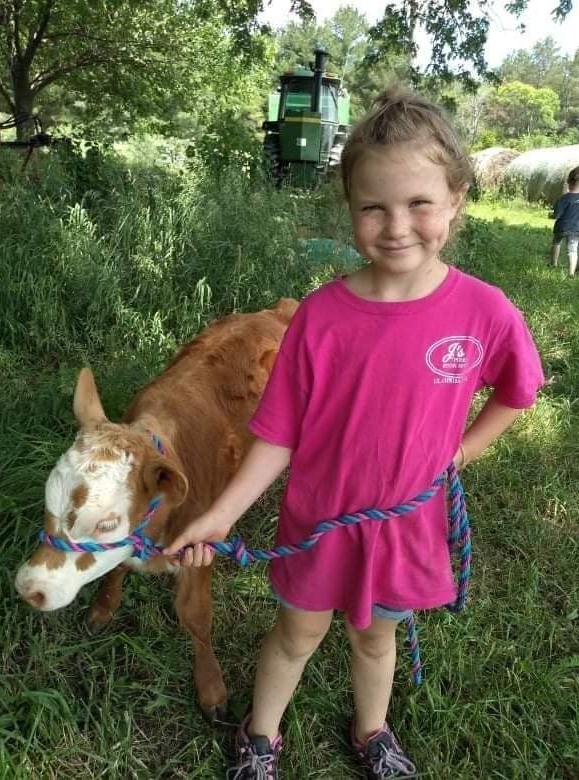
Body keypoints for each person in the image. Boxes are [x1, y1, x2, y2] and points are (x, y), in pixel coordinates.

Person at [164, 89, 544, 779]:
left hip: (406, 525)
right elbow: (277, 433)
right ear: (349, 208)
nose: (396, 226)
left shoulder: (484, 311)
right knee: (296, 633)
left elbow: (518, 391)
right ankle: (260, 736)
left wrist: (461, 450)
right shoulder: (321, 316)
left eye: (419, 203)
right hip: (320, 519)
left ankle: (372, 730)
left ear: (456, 200)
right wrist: (221, 516)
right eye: (373, 207)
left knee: (375, 637)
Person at [551, 166, 579, 275]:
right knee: (572, 249)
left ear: (568, 182)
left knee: (556, 242)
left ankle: (554, 264)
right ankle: (571, 273)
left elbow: (557, 214)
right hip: (576, 229)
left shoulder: (564, 198)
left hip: (561, 227)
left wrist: (552, 215)